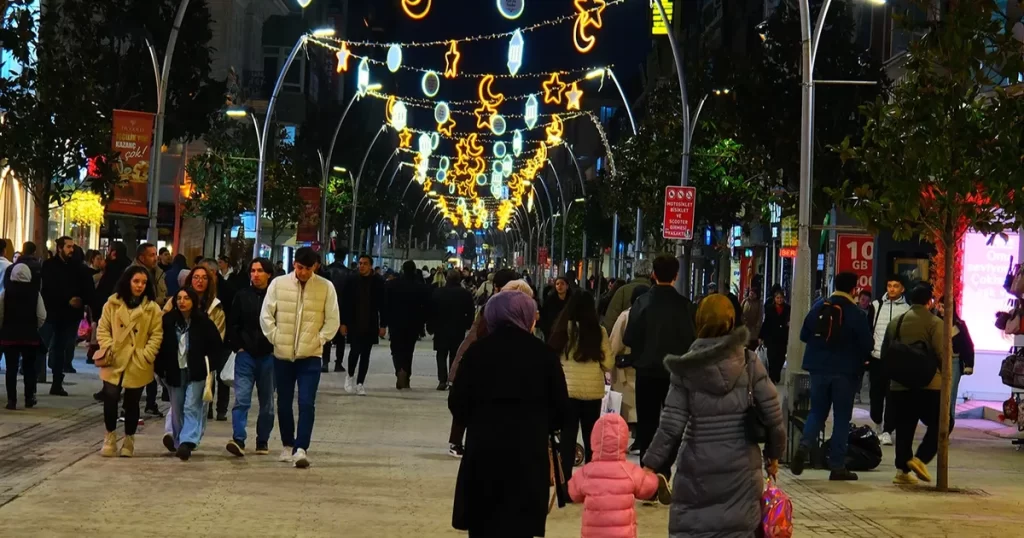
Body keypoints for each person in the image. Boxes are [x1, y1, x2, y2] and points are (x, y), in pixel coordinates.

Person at [643, 293, 786, 535]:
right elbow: (774, 417)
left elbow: (670, 426)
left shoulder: (685, 368)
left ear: (698, 321)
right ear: (731, 322)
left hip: (697, 470)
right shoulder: (750, 363)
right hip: (742, 469)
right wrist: (773, 456)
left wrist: (650, 464)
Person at [448, 290, 568, 538]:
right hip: (528, 458)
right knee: (520, 528)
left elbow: (458, 405)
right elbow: (560, 411)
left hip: (484, 456)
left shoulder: (477, 353)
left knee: (484, 527)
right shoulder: (544, 355)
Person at [260, 247, 340, 468]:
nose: (303, 272)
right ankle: (288, 444)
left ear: (315, 267)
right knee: (284, 402)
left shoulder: (326, 287)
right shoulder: (278, 284)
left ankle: (301, 448)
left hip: (311, 356)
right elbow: (266, 315)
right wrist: (276, 337)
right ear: (294, 264)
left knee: (306, 402)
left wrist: (320, 339)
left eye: (307, 268)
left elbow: (332, 319)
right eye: (299, 267)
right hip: (283, 355)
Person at [791, 272, 873, 481]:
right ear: (854, 289)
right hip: (845, 372)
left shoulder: (819, 307)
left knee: (817, 411)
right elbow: (867, 344)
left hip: (818, 369)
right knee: (842, 418)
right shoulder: (856, 313)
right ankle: (837, 466)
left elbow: (803, 335)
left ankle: (804, 446)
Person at [622, 254, 696, 485]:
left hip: (646, 371)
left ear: (653, 274)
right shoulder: (685, 306)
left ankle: (648, 474)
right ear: (676, 275)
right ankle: (665, 469)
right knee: (674, 423)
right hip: (676, 373)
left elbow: (629, 337)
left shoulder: (641, 303)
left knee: (647, 423)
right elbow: (692, 340)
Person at [446, 269, 522, 457]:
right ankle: (457, 442)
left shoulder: (499, 303)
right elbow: (482, 333)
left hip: (476, 357)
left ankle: (459, 442)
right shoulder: (496, 306)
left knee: (470, 399)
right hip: (479, 359)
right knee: (470, 400)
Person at [95, 266, 164, 458]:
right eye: (136, 281)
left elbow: (156, 334)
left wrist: (146, 354)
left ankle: (129, 439)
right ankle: (109, 436)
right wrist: (109, 347)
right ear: (128, 281)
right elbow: (103, 328)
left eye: (144, 282)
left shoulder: (152, 308)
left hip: (138, 360)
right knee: (110, 398)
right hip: (114, 358)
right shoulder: (112, 304)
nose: (140, 286)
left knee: (132, 402)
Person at [882, 283, 946, 485]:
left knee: (904, 427)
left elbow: (885, 353)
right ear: (929, 301)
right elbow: (942, 353)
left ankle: (902, 471)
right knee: (944, 421)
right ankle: (920, 458)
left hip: (899, 384)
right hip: (929, 384)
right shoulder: (935, 323)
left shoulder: (896, 322)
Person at [548, 291, 615, 482]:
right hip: (592, 393)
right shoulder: (598, 331)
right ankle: (591, 481)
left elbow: (551, 357)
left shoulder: (562, 329)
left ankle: (566, 482)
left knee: (568, 437)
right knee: (591, 438)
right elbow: (608, 364)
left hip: (567, 391)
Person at [155, 287, 224, 460]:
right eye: (179, 298)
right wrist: (160, 368)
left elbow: (216, 346)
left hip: (197, 371)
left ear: (193, 301)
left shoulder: (203, 322)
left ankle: (188, 441)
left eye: (186, 298)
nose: (182, 301)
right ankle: (179, 440)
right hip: (174, 370)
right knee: (177, 407)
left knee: (192, 406)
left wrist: (210, 365)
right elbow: (159, 346)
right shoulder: (167, 321)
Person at [568, 413, 659, 538]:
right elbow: (648, 488)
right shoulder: (629, 471)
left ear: (594, 440)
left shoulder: (586, 472)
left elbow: (573, 493)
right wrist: (653, 476)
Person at [225, 258, 277, 457]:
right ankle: (238, 438)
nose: (255, 275)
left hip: (269, 356)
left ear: (269, 274)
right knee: (242, 399)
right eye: (253, 271)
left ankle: (262, 440)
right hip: (245, 355)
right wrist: (237, 346)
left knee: (267, 403)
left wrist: (276, 347)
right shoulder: (242, 295)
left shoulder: (276, 297)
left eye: (260, 271)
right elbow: (233, 323)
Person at [40, 236, 93, 395]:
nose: (71, 250)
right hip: (52, 312)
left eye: (72, 247)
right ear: (60, 248)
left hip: (70, 315)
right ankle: (36, 376)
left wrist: (81, 300)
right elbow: (48, 288)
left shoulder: (77, 267)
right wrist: (67, 299)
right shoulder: (49, 265)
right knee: (43, 345)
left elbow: (87, 287)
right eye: (68, 247)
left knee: (61, 347)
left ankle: (57, 381)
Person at [867, 277, 910, 446]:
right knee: (875, 394)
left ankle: (887, 430)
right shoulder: (876, 305)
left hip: (896, 360)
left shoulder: (907, 309)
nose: (892, 289)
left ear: (902, 289)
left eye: (896, 286)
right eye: (889, 285)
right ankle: (877, 423)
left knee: (892, 397)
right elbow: (869, 329)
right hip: (877, 358)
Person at [130, 243, 168, 417]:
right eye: (151, 255)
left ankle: (150, 402)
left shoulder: (158, 272)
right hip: (137, 327)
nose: (156, 257)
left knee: (150, 365)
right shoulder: (133, 274)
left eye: (155, 254)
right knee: (136, 368)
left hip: (153, 323)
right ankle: (130, 406)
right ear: (141, 257)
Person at [340, 255, 387, 396]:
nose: (361, 266)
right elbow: (345, 303)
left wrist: (383, 325)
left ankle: (360, 383)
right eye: (360, 263)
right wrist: (343, 322)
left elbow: (383, 304)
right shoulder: (351, 280)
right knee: (354, 352)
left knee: (366, 355)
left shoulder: (378, 281)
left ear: (371, 266)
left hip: (370, 323)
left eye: (365, 263)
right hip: (354, 322)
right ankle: (350, 375)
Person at [1, 264, 46, 409]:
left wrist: (3, 327)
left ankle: (11, 400)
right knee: (29, 368)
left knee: (11, 368)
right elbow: (42, 315)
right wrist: (34, 326)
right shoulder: (35, 293)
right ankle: (29, 397)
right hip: (30, 336)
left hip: (9, 336)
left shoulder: (6, 293)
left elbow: (0, 313)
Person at [608, 285, 649, 442]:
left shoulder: (626, 316)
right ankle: (641, 439)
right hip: (646, 368)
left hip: (625, 370)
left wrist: (607, 365)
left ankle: (628, 440)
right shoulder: (655, 315)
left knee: (627, 410)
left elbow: (614, 344)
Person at [428, 269, 475, 391]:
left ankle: (442, 380)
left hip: (440, 328)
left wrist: (430, 326)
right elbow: (471, 311)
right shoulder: (465, 294)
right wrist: (468, 325)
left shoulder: (438, 292)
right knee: (455, 354)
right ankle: (452, 379)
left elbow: (431, 310)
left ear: (447, 278)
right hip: (458, 328)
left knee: (441, 354)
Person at [386, 260, 428, 389]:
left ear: (403, 270)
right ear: (414, 270)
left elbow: (386, 304)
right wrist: (423, 324)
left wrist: (384, 322)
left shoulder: (392, 285)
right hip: (413, 323)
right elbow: (424, 307)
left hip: (395, 322)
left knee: (396, 349)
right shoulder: (420, 286)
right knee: (408, 350)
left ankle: (399, 369)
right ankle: (406, 374)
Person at [934, 296, 974, 432]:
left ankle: (947, 427)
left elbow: (968, 345)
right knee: (936, 395)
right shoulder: (934, 322)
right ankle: (937, 427)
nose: (940, 309)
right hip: (937, 362)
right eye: (939, 306)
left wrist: (969, 364)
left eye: (943, 306)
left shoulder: (959, 325)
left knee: (950, 396)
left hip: (954, 362)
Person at [320, 248, 351, 373]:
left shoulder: (326, 271)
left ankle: (325, 362)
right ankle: (338, 363)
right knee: (341, 337)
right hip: (342, 307)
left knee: (327, 336)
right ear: (344, 258)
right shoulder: (348, 273)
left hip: (327, 306)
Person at [602, 259, 652, 333]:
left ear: (634, 272)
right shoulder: (653, 291)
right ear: (651, 273)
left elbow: (610, 319)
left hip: (624, 336)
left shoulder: (623, 290)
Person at [759, 289, 791, 384]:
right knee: (771, 357)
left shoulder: (787, 308)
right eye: (777, 298)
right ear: (774, 299)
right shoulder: (770, 308)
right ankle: (772, 376)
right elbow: (766, 323)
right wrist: (761, 336)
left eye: (781, 298)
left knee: (781, 357)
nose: (779, 300)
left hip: (782, 337)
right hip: (771, 337)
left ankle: (777, 373)